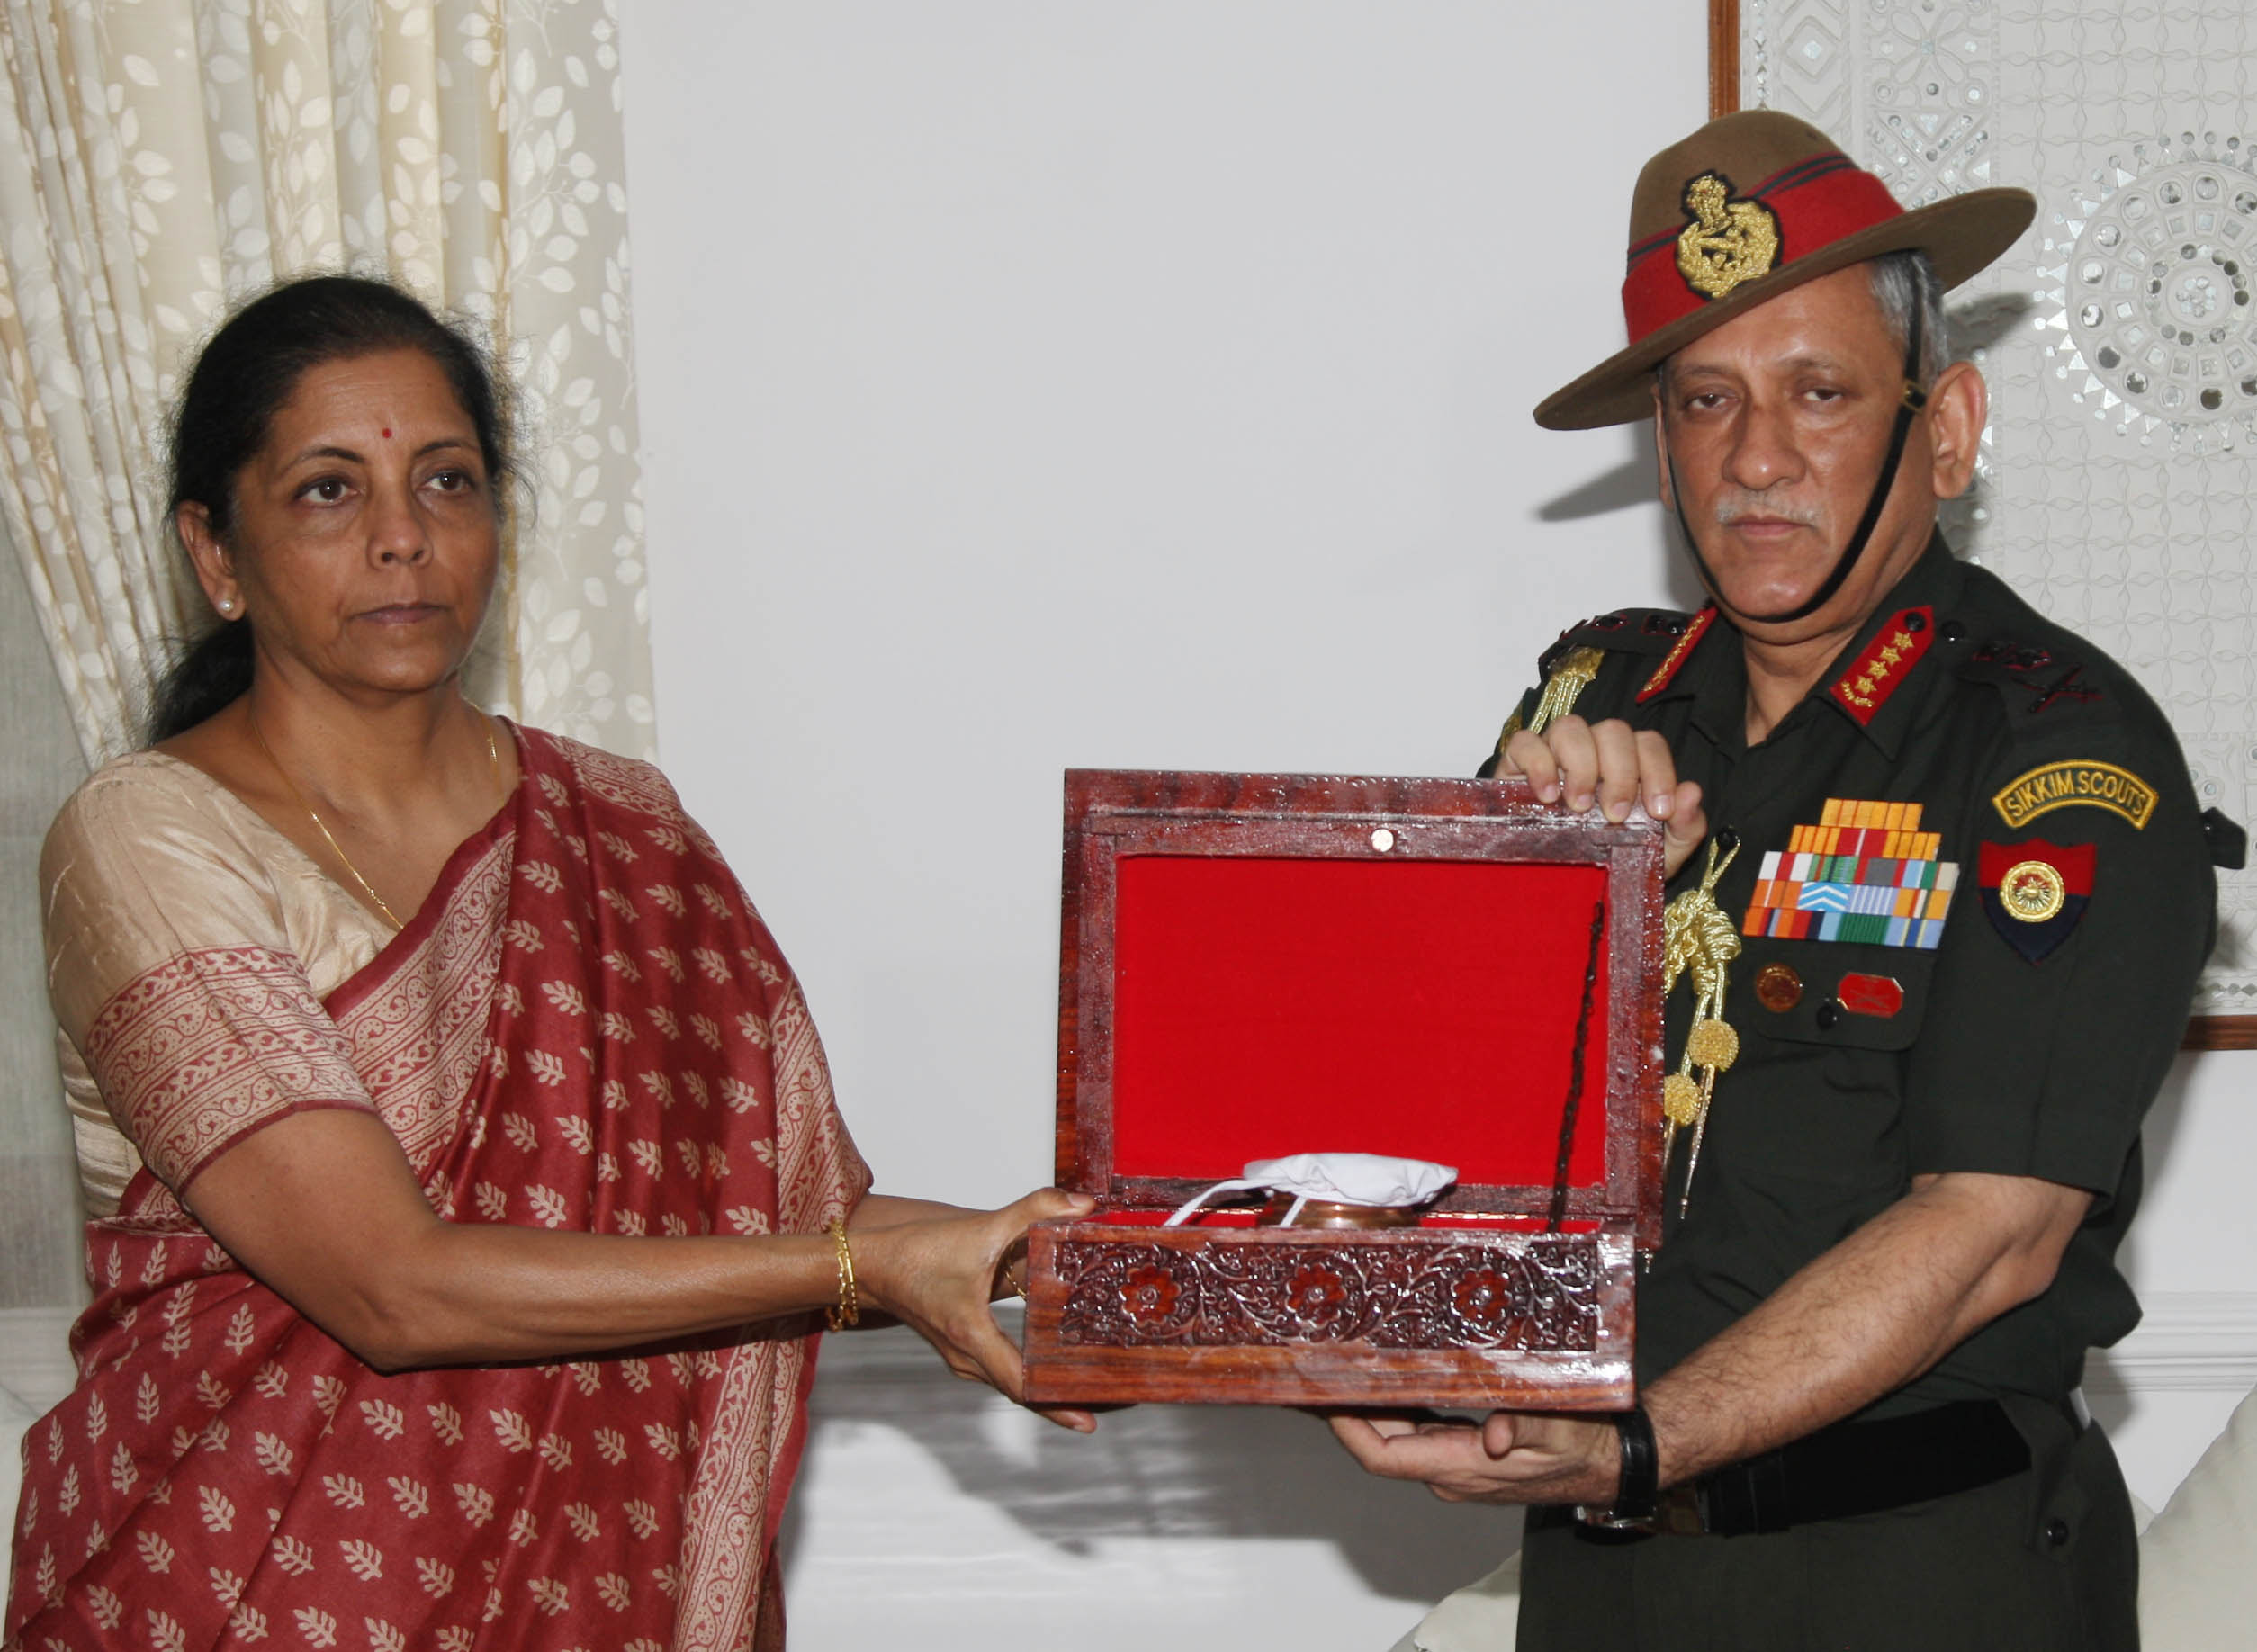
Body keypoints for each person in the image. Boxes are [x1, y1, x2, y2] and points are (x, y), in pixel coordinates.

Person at [4, 274, 1092, 1651]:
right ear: (216, 555)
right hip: (251, 1597)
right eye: (330, 493)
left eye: (448, 482)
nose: (403, 539)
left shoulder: (623, 822)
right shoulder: (148, 838)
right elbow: (391, 1287)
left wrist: (1084, 1255)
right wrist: (863, 1272)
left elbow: (789, 1222)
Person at [1328, 112, 2221, 1648]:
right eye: (1704, 401)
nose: (1756, 460)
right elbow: (1427, 1133)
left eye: (1819, 394)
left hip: (1914, 1578)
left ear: (1943, 429)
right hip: (1606, 1574)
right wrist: (1548, 902)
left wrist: (1645, 1440)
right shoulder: (1590, 713)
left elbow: (1991, 1232)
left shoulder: (2057, 755)